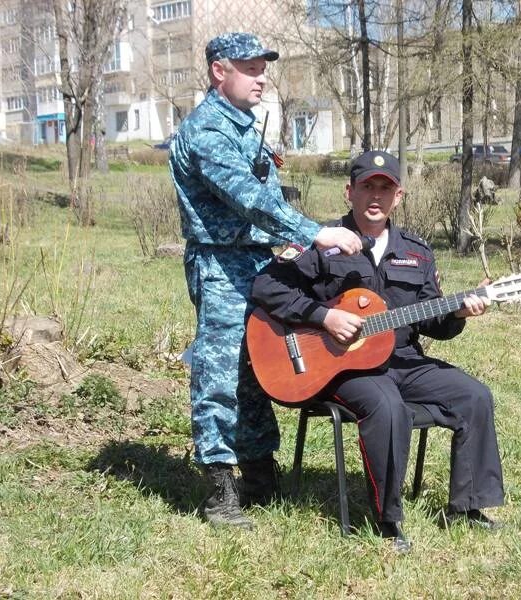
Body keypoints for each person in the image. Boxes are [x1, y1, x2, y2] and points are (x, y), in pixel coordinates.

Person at [251, 151, 505, 552]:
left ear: (399, 196)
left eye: (385, 188)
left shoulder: (417, 252)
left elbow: (432, 323)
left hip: (404, 358)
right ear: (349, 191)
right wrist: (323, 317)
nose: (376, 196)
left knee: (474, 396)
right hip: (342, 366)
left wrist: (458, 313)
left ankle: (468, 508)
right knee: (388, 407)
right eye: (367, 185)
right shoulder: (323, 243)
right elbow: (266, 287)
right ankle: (388, 520)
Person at [169, 32, 362, 530]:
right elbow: (250, 200)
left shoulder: (245, 125)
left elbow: (266, 195)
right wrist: (314, 232)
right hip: (220, 266)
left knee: (259, 362)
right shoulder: (208, 131)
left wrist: (289, 241)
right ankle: (220, 487)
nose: (261, 78)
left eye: (262, 68)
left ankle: (259, 472)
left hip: (256, 260)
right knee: (221, 371)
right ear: (219, 70)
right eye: (250, 68)